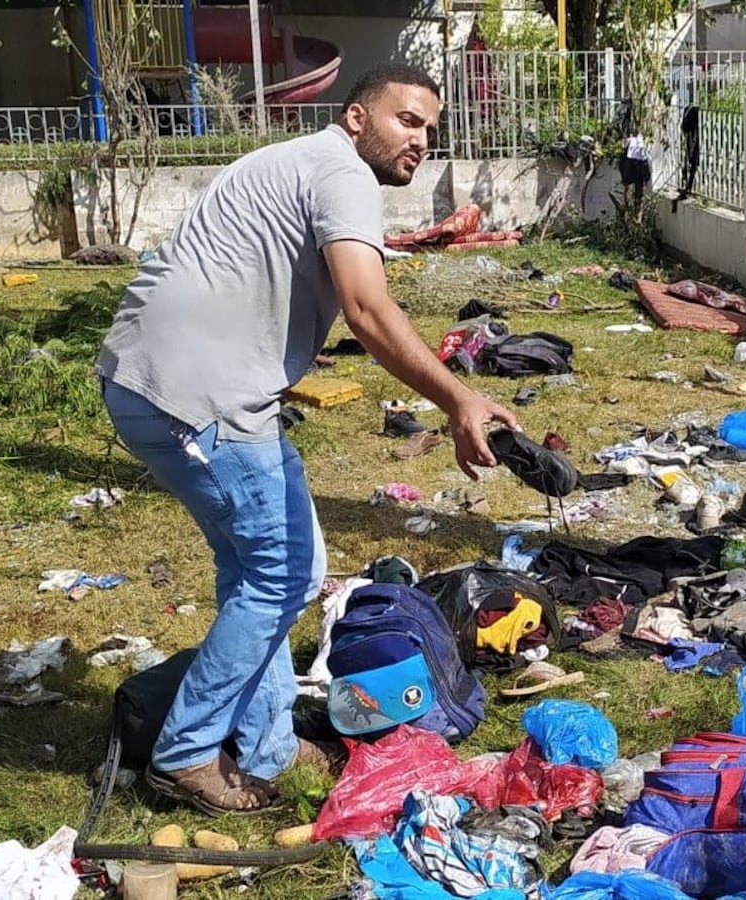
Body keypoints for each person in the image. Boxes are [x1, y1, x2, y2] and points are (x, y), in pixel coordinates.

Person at [95, 63, 520, 815]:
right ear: (357, 118)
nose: (421, 139)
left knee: (283, 567)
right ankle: (188, 752)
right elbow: (365, 306)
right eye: (407, 120)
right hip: (198, 396)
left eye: (430, 127)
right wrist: (458, 398)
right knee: (279, 571)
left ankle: (266, 744)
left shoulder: (300, 162)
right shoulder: (340, 170)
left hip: (180, 386)